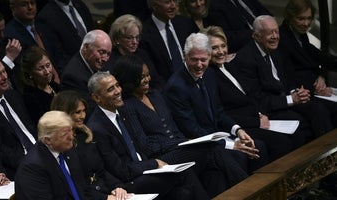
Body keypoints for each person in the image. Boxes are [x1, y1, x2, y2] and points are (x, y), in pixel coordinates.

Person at [111, 54, 259, 196]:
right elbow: (145, 146)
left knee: (215, 173)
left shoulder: (155, 95)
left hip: (181, 147)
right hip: (162, 157)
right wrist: (180, 143)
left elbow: (175, 128)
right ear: (130, 79)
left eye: (147, 75)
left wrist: (185, 142)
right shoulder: (127, 106)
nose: (146, 79)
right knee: (211, 149)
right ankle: (253, 191)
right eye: (141, 77)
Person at [87, 71, 211, 200]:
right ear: (96, 98)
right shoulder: (97, 129)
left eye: (117, 85)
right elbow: (120, 170)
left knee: (184, 191)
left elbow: (141, 145)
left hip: (145, 169)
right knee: (184, 173)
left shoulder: (122, 111)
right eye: (110, 89)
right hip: (129, 182)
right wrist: (154, 163)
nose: (118, 91)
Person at [201, 25, 311, 160]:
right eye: (214, 48)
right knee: (282, 143)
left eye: (223, 46)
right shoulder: (208, 76)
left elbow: (251, 95)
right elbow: (223, 113)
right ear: (205, 51)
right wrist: (256, 122)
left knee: (298, 134)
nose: (221, 51)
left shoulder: (230, 66)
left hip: (257, 117)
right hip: (241, 126)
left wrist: (260, 114)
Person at [164, 33, 268, 172]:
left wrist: (238, 130)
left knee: (258, 146)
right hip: (200, 144)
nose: (199, 65)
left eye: (203, 60)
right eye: (194, 60)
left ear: (209, 56)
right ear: (184, 55)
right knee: (239, 155)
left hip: (217, 135)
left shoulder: (209, 75)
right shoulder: (176, 87)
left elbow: (218, 112)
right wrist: (230, 144)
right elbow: (191, 129)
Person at [232, 15, 334, 138]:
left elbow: (286, 79)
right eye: (270, 33)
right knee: (304, 121)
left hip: (286, 99)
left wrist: (296, 92)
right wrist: (291, 99)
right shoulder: (245, 59)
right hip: (270, 108)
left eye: (276, 31)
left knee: (321, 108)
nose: (275, 36)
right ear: (257, 36)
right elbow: (258, 99)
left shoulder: (274, 49)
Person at [51, 90, 134, 200]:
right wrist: (105, 198)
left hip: (105, 190)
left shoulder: (85, 136)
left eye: (84, 111)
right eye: (77, 112)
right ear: (64, 114)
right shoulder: (62, 146)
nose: (82, 116)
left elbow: (101, 171)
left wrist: (117, 186)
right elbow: (77, 186)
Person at [279, 0, 337, 125]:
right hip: (299, 90)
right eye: (301, 19)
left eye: (309, 18)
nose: (306, 23)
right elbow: (289, 75)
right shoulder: (283, 38)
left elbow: (317, 56)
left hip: (313, 86)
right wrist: (316, 88)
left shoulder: (301, 34)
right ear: (290, 17)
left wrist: (321, 75)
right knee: (324, 111)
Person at [0, 56, 36, 179]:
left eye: (4, 71)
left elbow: (30, 126)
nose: (5, 77)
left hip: (39, 149)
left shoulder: (13, 95)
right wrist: (30, 162)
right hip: (19, 165)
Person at [15, 111, 87, 199]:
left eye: (71, 130)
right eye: (64, 134)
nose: (71, 137)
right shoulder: (32, 168)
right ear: (48, 140)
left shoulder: (67, 149)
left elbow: (82, 188)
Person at [140, 0, 199, 81]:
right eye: (167, 2)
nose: (173, 6)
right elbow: (152, 73)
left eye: (175, 1)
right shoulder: (144, 34)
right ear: (154, 6)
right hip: (166, 88)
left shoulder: (186, 23)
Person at [4, 0, 60, 84]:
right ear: (13, 8)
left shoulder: (43, 24)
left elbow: (58, 53)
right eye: (24, 5)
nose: (30, 7)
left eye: (32, 3)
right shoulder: (10, 35)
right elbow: (23, 70)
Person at [105, 14, 165, 90]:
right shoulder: (110, 60)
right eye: (130, 38)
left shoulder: (142, 54)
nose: (135, 42)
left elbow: (156, 80)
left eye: (137, 37)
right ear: (117, 39)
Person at [61, 29, 112, 115]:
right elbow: (89, 111)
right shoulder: (72, 77)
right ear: (86, 47)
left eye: (108, 54)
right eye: (102, 52)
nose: (105, 58)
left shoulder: (97, 62)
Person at [36, 0, 94, 74]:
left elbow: (94, 35)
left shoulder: (80, 5)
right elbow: (58, 58)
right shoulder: (45, 17)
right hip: (75, 73)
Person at [206, 0, 271, 53]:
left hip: (265, 35)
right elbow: (228, 38)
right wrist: (256, 33)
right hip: (247, 46)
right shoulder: (215, 6)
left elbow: (266, 13)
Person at [20, 45, 60, 125]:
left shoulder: (54, 85)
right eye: (40, 68)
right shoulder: (30, 98)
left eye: (48, 65)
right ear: (30, 73)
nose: (47, 72)